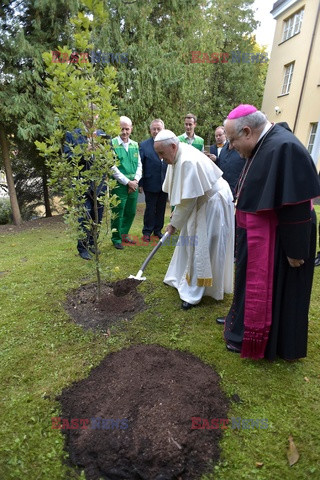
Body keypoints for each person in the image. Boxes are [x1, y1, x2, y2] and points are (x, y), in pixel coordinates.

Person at [219, 104, 320, 361]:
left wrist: (296, 250)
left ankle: (262, 337)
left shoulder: (284, 148)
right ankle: (241, 321)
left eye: (232, 140)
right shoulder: (264, 144)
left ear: (247, 132)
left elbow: (296, 206)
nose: (230, 146)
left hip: (279, 242)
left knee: (276, 291)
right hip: (260, 236)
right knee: (246, 281)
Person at [154, 130, 234, 310]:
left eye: (162, 153)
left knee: (202, 245)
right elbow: (182, 193)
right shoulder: (177, 155)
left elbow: (188, 199)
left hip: (213, 202)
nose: (161, 158)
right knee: (188, 240)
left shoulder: (187, 160)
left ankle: (193, 293)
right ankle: (179, 277)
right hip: (200, 200)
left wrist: (174, 224)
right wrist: (175, 215)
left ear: (173, 146)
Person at [64, 110, 109, 260]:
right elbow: (68, 158)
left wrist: (102, 151)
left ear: (97, 116)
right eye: (89, 116)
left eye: (94, 115)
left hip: (100, 184)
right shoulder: (73, 135)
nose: (91, 119)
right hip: (82, 184)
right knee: (85, 216)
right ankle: (82, 247)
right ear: (83, 117)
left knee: (98, 217)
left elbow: (111, 157)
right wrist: (84, 153)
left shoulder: (102, 135)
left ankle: (92, 244)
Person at [111, 116, 142, 250]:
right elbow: (112, 167)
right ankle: (116, 238)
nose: (124, 132)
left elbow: (139, 164)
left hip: (133, 184)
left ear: (131, 129)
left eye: (127, 129)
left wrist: (135, 181)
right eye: (122, 129)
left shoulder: (135, 144)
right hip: (119, 185)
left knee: (131, 211)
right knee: (118, 212)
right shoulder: (112, 143)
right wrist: (127, 182)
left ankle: (124, 235)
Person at [139, 119, 168, 242]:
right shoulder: (144, 145)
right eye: (154, 129)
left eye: (158, 129)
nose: (156, 131)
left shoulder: (168, 144)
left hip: (165, 182)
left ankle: (158, 230)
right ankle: (147, 231)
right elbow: (140, 165)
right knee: (150, 209)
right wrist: (140, 183)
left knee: (161, 208)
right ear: (150, 130)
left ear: (163, 130)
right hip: (150, 182)